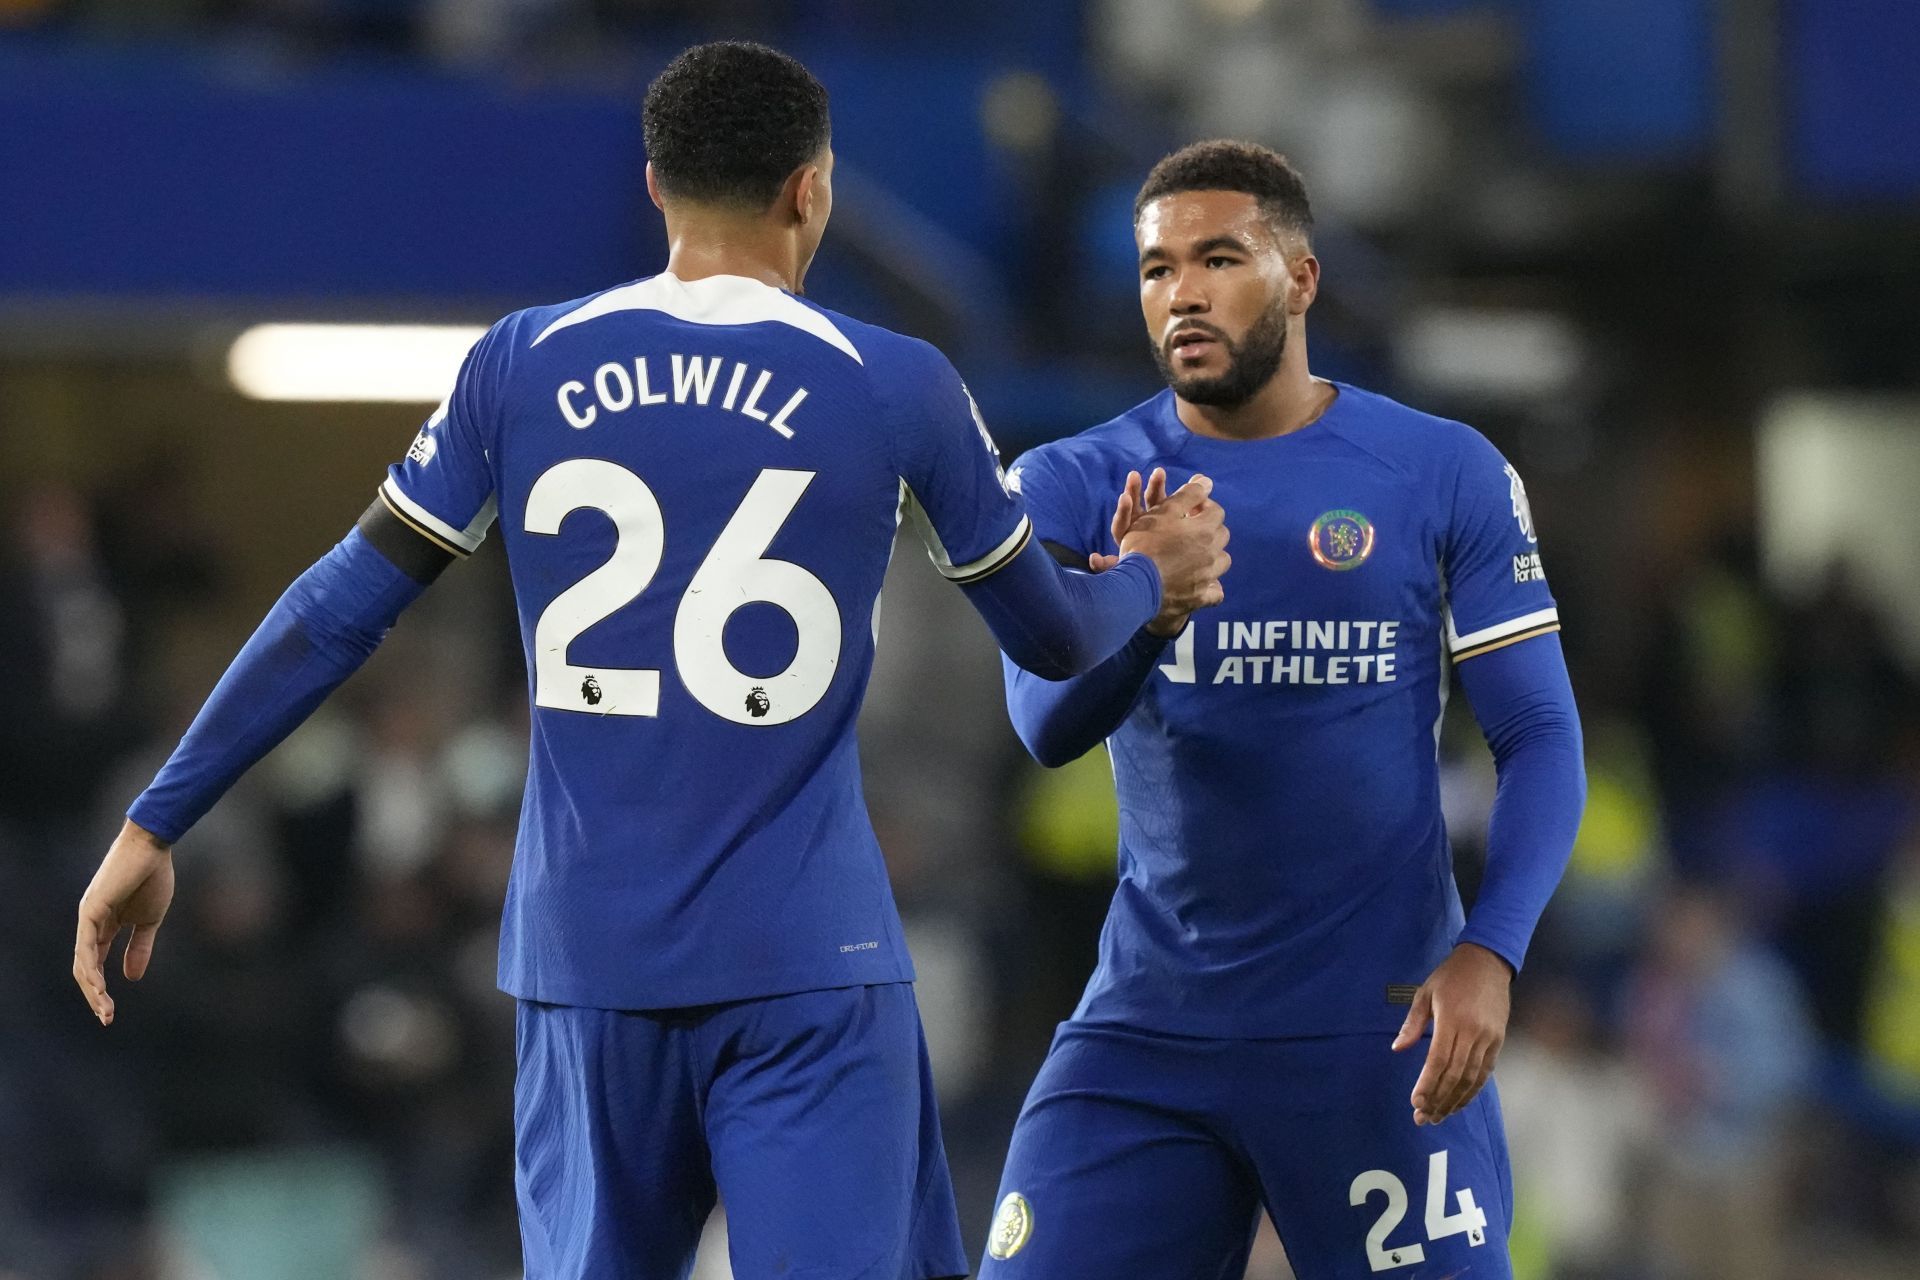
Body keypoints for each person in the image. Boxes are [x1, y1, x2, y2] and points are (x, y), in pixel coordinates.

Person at [70, 43, 1231, 1280]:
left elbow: (336, 611)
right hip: (807, 968)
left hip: (586, 974)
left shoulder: (518, 363)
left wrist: (158, 818)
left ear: (652, 186)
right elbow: (1054, 638)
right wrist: (1152, 580)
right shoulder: (895, 382)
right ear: (812, 190)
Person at [978, 140, 1586, 1278]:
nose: (1184, 294)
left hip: (1380, 1032)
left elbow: (1540, 735)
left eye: (1220, 258)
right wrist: (1149, 597)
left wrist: (1493, 951)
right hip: (1149, 1029)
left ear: (1301, 280)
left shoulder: (1439, 469)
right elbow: (1042, 726)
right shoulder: (1075, 478)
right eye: (1157, 269)